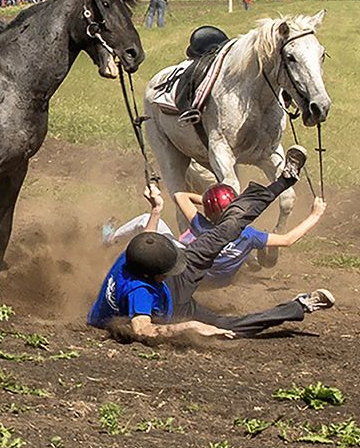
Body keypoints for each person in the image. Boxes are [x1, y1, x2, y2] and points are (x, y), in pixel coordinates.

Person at [88, 146, 335, 342]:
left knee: (228, 228)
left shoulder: (138, 255)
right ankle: (300, 305)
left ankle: (283, 181)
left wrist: (156, 209)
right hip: (175, 307)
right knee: (230, 327)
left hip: (168, 282)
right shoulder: (140, 293)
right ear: (153, 275)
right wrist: (192, 326)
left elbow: (147, 239)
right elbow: (143, 330)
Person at [174, 183, 326, 282]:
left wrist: (211, 202)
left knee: (174, 241)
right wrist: (315, 215)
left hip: (197, 281)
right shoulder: (249, 235)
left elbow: (180, 196)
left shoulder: (202, 227)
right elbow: (288, 240)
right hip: (223, 282)